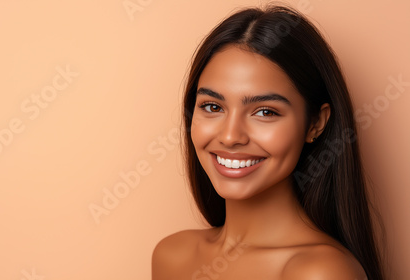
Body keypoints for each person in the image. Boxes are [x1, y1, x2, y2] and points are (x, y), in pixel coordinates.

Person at [152, 4, 385, 280]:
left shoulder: (321, 273)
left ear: (316, 124)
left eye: (265, 112)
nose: (229, 136)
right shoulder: (172, 255)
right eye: (213, 107)